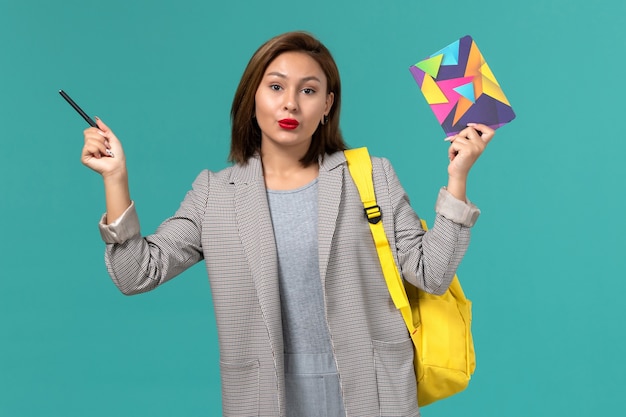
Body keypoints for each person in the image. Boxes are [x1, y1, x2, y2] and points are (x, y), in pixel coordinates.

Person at [81, 31, 493, 417]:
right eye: (276, 87)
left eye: (308, 90)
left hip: (373, 396)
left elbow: (432, 274)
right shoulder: (215, 194)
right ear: (252, 97)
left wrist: (457, 180)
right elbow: (135, 273)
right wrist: (116, 179)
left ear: (328, 103)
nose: (291, 104)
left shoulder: (371, 175)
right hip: (265, 400)